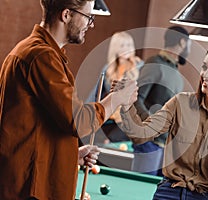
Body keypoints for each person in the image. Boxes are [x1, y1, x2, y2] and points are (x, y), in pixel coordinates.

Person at [0, 0, 138, 199]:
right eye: (88, 17)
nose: (91, 24)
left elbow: (36, 130)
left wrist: (72, 156)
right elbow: (78, 121)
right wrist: (117, 98)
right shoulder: (41, 56)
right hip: (28, 190)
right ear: (66, 15)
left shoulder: (39, 52)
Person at [119, 45, 208, 199]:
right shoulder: (180, 103)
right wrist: (126, 105)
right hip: (169, 191)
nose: (205, 74)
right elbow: (140, 135)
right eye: (204, 67)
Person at [132, 26, 191, 176]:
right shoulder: (155, 63)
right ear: (182, 42)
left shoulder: (175, 72)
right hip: (149, 144)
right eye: (189, 44)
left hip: (166, 146)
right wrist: (152, 124)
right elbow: (135, 98)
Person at [86, 31, 143, 142]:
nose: (126, 49)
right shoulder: (108, 69)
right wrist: (86, 113)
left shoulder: (140, 67)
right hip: (111, 117)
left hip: (128, 119)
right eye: (122, 45)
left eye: (129, 45)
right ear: (115, 48)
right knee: (90, 136)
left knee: (110, 139)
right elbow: (96, 93)